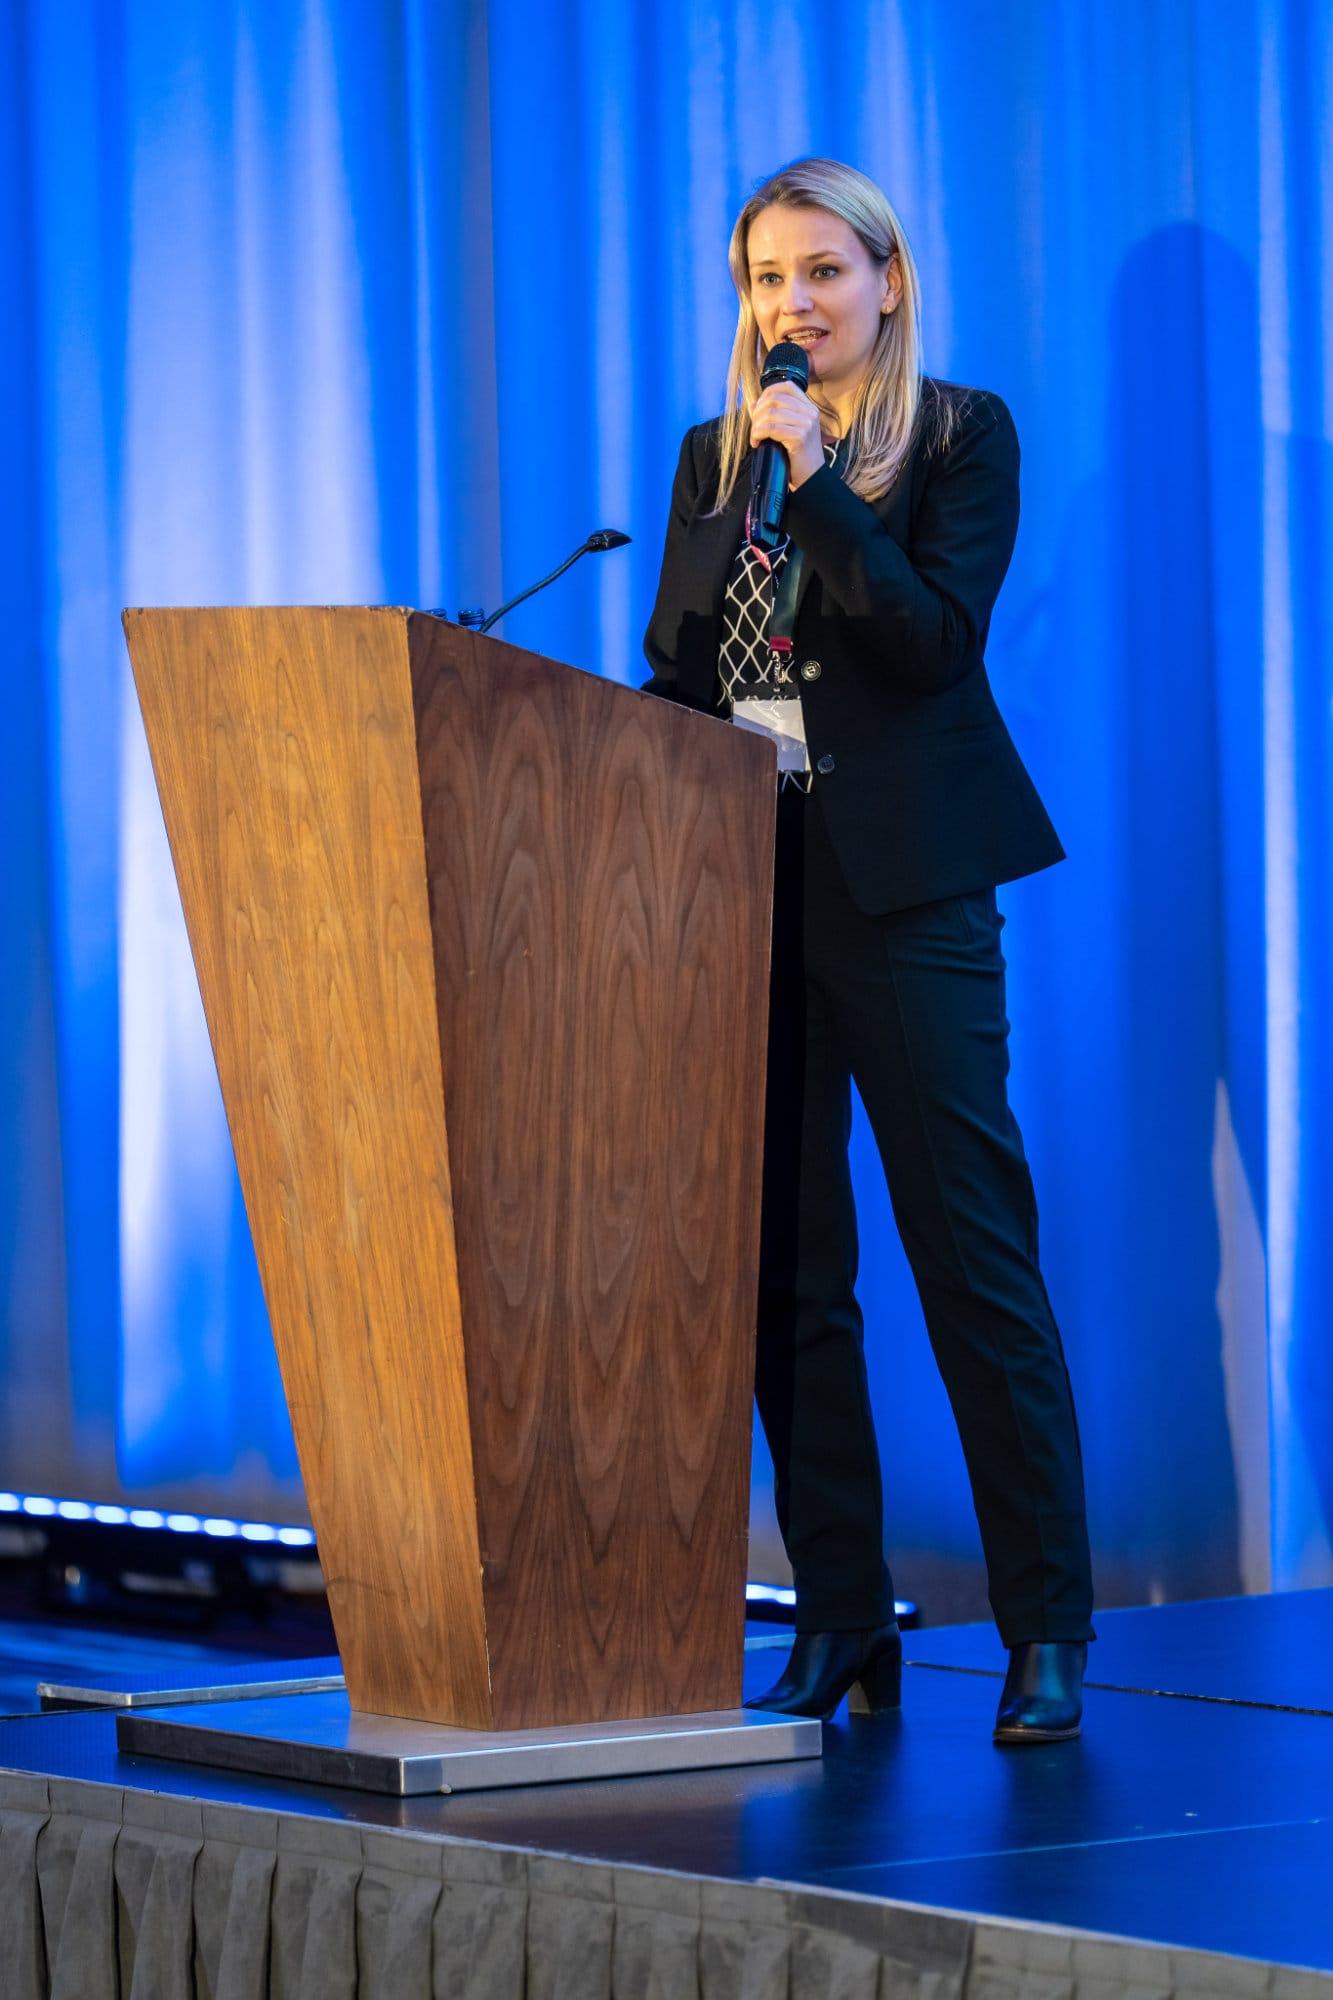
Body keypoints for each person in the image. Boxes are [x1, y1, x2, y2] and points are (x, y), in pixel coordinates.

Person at [642, 158, 1094, 1744]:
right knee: (785, 1274)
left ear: (887, 282)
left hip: (904, 894)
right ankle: (839, 1614)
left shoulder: (957, 437)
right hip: (743, 888)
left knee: (970, 1259)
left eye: (823, 271)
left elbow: (927, 644)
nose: (794, 302)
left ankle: (1045, 1625)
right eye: (767, 277)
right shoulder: (716, 457)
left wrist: (821, 482)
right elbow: (676, 666)